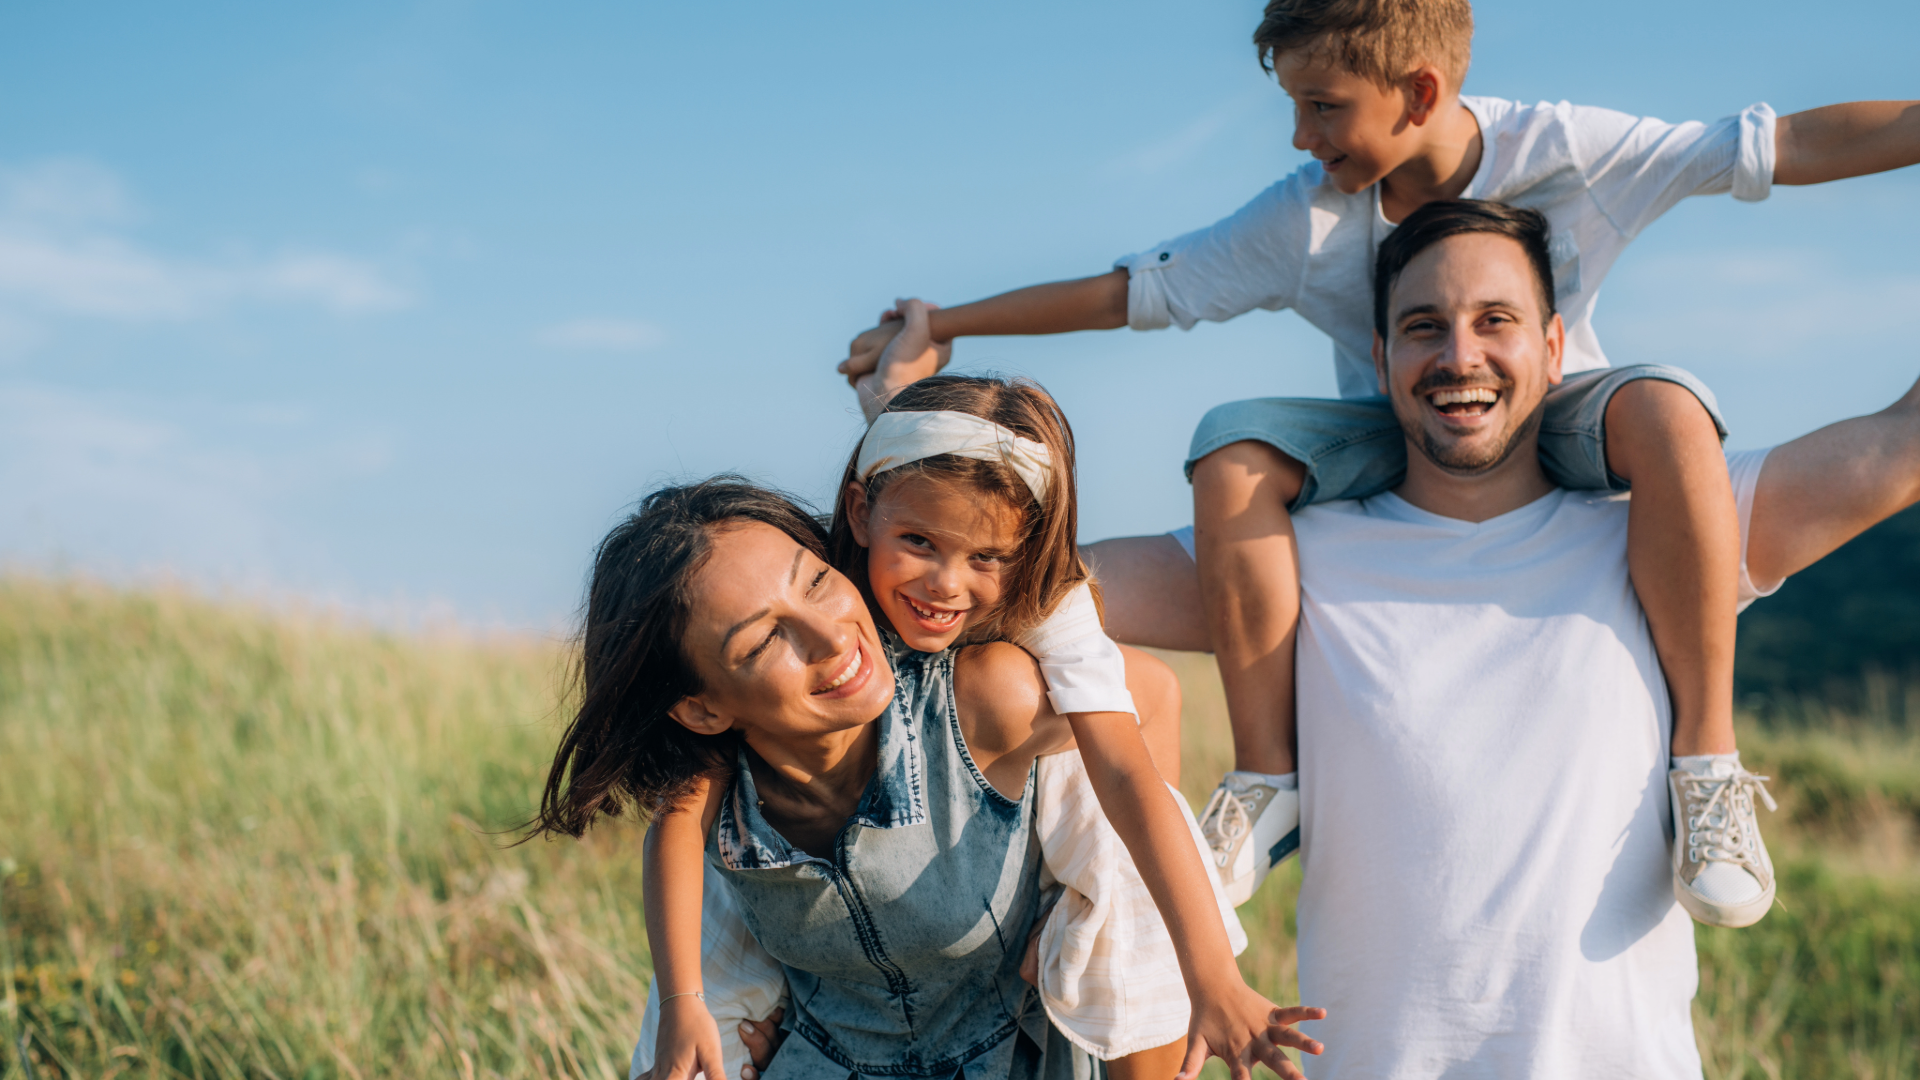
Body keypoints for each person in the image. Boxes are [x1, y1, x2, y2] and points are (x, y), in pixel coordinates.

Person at [834, 0, 1920, 920]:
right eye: (1295, 105)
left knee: (1673, 410)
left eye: (1322, 106)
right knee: (1235, 448)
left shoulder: (1565, 150)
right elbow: (1135, 292)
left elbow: (1772, 147)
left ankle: (1710, 767)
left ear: (1419, 90)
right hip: (1383, 446)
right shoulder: (1307, 222)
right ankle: (1268, 779)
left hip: (1572, 421)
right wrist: (952, 322)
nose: (1302, 135)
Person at [1257, 197, 1915, 1076]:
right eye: (1424, 327)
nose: (1460, 356)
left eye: (1497, 321)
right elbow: (1045, 585)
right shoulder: (1294, 556)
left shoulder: (1664, 528)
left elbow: (1905, 442)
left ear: (1556, 348)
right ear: (1380, 358)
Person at [532, 464, 1324, 1080]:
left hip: (1011, 1052)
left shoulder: (985, 698)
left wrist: (1094, 889)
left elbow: (1152, 695)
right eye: (762, 641)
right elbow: (668, 834)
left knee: (1108, 826)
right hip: (827, 1058)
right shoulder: (715, 782)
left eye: (814, 580)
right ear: (702, 707)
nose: (832, 636)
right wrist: (686, 1007)